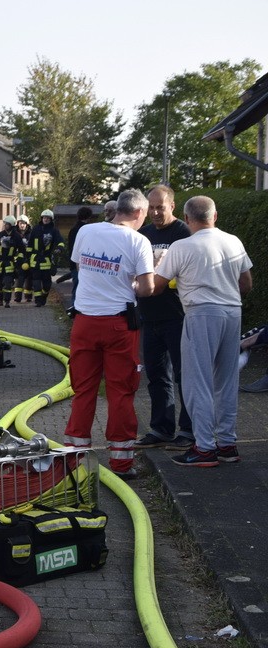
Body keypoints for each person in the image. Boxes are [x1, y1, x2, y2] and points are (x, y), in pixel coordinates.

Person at [153, 196, 253, 467]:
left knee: (198, 382)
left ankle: (204, 448)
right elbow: (246, 282)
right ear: (215, 215)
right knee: (226, 380)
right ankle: (227, 444)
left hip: (201, 314)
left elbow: (158, 286)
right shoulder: (233, 241)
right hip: (233, 311)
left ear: (186, 219)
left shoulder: (181, 246)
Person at [63, 189, 155, 481]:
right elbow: (148, 288)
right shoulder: (139, 241)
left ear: (117, 209)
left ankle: (74, 461)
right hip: (119, 325)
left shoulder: (86, 232)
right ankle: (121, 464)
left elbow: (80, 266)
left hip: (84, 322)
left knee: (83, 390)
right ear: (139, 213)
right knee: (121, 392)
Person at [134, 185, 194, 451]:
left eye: (161, 207)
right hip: (150, 315)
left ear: (172, 205)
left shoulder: (184, 233)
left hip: (178, 316)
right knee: (157, 376)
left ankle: (189, 430)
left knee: (184, 375)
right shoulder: (143, 234)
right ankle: (161, 427)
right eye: (152, 208)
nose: (156, 213)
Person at [27, 209, 65, 307]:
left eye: (48, 218)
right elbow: (30, 244)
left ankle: (43, 297)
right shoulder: (36, 229)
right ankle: (38, 300)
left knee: (47, 284)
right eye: (44, 217)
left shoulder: (54, 230)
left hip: (47, 260)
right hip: (35, 260)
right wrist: (27, 258)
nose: (46, 219)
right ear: (41, 218)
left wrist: (59, 249)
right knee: (36, 283)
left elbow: (60, 241)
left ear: (51, 219)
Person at [0, 215, 25, 308]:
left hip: (10, 264)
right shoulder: (0, 235)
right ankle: (0, 299)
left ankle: (7, 301)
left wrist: (18, 261)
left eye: (7, 224)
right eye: (4, 224)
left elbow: (22, 250)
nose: (5, 225)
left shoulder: (16, 236)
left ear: (11, 225)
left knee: (7, 283)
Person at [64, 206, 93, 310]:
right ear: (88, 217)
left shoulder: (74, 229)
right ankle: (75, 309)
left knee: (77, 287)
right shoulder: (86, 230)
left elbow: (72, 248)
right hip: (82, 263)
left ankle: (74, 309)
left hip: (74, 263)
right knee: (79, 288)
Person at [13, 214, 33, 303]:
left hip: (29, 259)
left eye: (24, 223)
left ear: (27, 224)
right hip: (18, 260)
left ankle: (28, 297)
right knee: (19, 279)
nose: (22, 225)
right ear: (17, 224)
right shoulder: (14, 234)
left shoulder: (31, 234)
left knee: (29, 278)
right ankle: (18, 297)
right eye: (20, 223)